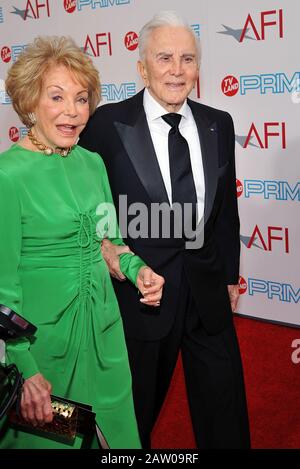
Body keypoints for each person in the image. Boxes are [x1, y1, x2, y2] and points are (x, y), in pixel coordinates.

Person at [79, 11, 250, 449]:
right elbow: (92, 208)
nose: (177, 69)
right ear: (142, 67)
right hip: (143, 296)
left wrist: (230, 274)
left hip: (208, 291)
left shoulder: (219, 121)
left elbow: (225, 210)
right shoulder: (105, 124)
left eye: (188, 58)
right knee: (132, 420)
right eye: (165, 57)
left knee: (225, 411)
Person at [0, 35, 164, 449]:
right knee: (57, 441)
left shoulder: (93, 164)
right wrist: (26, 370)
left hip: (105, 338)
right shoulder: (8, 177)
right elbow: (2, 294)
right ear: (29, 101)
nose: (72, 112)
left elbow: (112, 243)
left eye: (81, 98)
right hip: (44, 352)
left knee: (121, 444)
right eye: (56, 97)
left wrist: (137, 270)